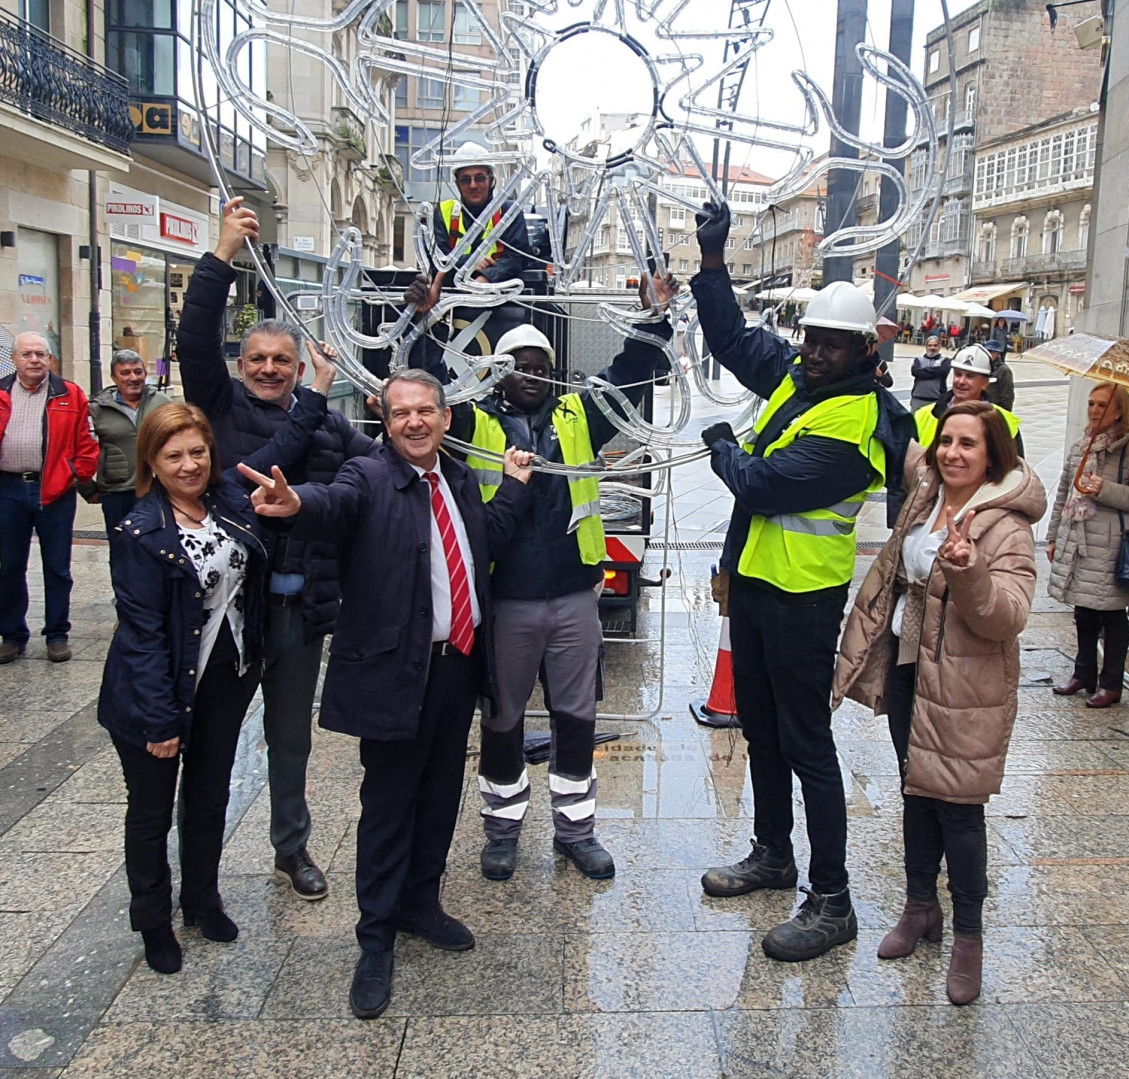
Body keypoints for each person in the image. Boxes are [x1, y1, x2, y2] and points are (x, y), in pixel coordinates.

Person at [242, 369, 534, 1021]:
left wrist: (513, 488)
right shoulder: (367, 476)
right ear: (383, 417)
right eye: (400, 412)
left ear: (444, 417)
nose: (413, 422)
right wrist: (294, 507)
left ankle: (419, 903)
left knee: (438, 797)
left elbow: (480, 537)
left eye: (424, 410)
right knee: (387, 806)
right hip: (394, 669)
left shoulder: (455, 478)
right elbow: (331, 504)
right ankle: (374, 938)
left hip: (456, 663)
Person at [689, 200, 914, 963]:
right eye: (809, 339)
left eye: (830, 345)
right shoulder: (798, 377)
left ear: (861, 351)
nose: (813, 353)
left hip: (802, 603)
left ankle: (832, 899)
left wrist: (722, 446)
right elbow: (728, 338)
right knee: (760, 730)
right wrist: (712, 264)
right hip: (755, 588)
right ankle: (772, 853)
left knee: (807, 743)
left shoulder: (856, 424)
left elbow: (761, 484)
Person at [404, 270, 676, 882]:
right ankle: (502, 830)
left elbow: (629, 375)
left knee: (577, 715)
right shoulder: (471, 425)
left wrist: (653, 320)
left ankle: (575, 831)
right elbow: (424, 396)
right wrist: (425, 324)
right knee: (501, 718)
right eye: (518, 363)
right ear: (498, 370)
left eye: (540, 362)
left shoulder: (578, 416)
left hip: (575, 598)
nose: (531, 371)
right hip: (506, 603)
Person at [176, 196, 377, 902]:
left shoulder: (325, 424)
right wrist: (221, 254)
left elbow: (384, 467)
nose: (267, 368)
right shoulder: (220, 409)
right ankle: (196, 869)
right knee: (213, 742)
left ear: (299, 368)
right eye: (257, 358)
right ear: (243, 364)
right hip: (231, 615)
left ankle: (290, 848)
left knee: (290, 744)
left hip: (300, 618)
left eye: (281, 360)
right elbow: (193, 340)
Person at [98, 394, 332, 975]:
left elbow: (277, 451)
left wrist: (318, 394)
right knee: (151, 813)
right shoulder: (139, 532)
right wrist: (159, 721)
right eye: (173, 455)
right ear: (151, 461)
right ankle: (152, 920)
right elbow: (144, 634)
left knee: (208, 799)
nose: (188, 465)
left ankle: (201, 900)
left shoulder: (227, 500)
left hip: (223, 681)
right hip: (154, 691)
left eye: (197, 452)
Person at [834, 400, 1046, 1005]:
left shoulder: (1007, 525)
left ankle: (969, 942)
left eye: (968, 444)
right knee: (915, 791)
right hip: (909, 668)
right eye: (946, 440)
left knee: (958, 807)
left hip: (965, 686)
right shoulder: (926, 494)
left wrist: (971, 571)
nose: (953, 453)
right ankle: (919, 909)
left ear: (993, 454)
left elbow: (1010, 616)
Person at [1047, 383, 1129, 708]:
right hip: (1078, 540)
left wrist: (1105, 489)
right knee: (1083, 611)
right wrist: (1053, 535)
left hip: (1111, 546)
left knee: (1111, 615)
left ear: (1119, 411)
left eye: (1102, 406)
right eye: (1091, 404)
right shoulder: (1081, 447)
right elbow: (1064, 493)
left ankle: (1111, 684)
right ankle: (1084, 673)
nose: (1094, 410)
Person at [0, 332, 99, 664]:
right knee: (10, 565)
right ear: (14, 358)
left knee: (57, 567)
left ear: (50, 359)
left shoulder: (69, 393)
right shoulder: (0, 392)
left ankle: (57, 634)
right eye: (27, 354)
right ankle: (12, 635)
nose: (34, 360)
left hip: (55, 489)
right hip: (8, 489)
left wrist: (76, 474)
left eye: (41, 354)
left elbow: (86, 441)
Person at [82, 350, 171, 536]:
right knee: (121, 547)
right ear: (114, 377)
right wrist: (87, 489)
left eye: (138, 372)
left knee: (157, 547)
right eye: (125, 373)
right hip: (116, 492)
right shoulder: (97, 408)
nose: (133, 378)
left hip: (157, 488)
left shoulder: (163, 404)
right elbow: (78, 448)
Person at [433, 141, 530, 286]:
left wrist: (486, 277)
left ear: (491, 180)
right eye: (466, 180)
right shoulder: (443, 211)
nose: (473, 185)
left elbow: (517, 258)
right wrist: (470, 262)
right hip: (452, 297)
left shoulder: (509, 211)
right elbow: (437, 261)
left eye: (479, 178)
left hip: (499, 297)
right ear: (457, 184)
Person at [912, 345, 1022, 456]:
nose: (961, 381)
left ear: (985, 383)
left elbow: (1014, 468)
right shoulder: (923, 415)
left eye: (970, 376)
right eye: (958, 374)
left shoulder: (1004, 422)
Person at [909, 335, 950, 411]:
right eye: (930, 345)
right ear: (926, 347)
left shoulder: (945, 361)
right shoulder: (918, 360)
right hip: (918, 400)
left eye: (935, 345)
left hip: (936, 401)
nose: (932, 348)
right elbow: (915, 372)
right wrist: (936, 372)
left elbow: (943, 371)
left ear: (939, 347)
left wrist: (923, 371)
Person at [980, 338, 1015, 411]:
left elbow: (1007, 395)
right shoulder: (982, 367)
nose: (989, 354)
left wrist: (1004, 414)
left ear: (998, 353)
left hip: (995, 409)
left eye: (992, 352)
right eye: (987, 351)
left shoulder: (1004, 370)